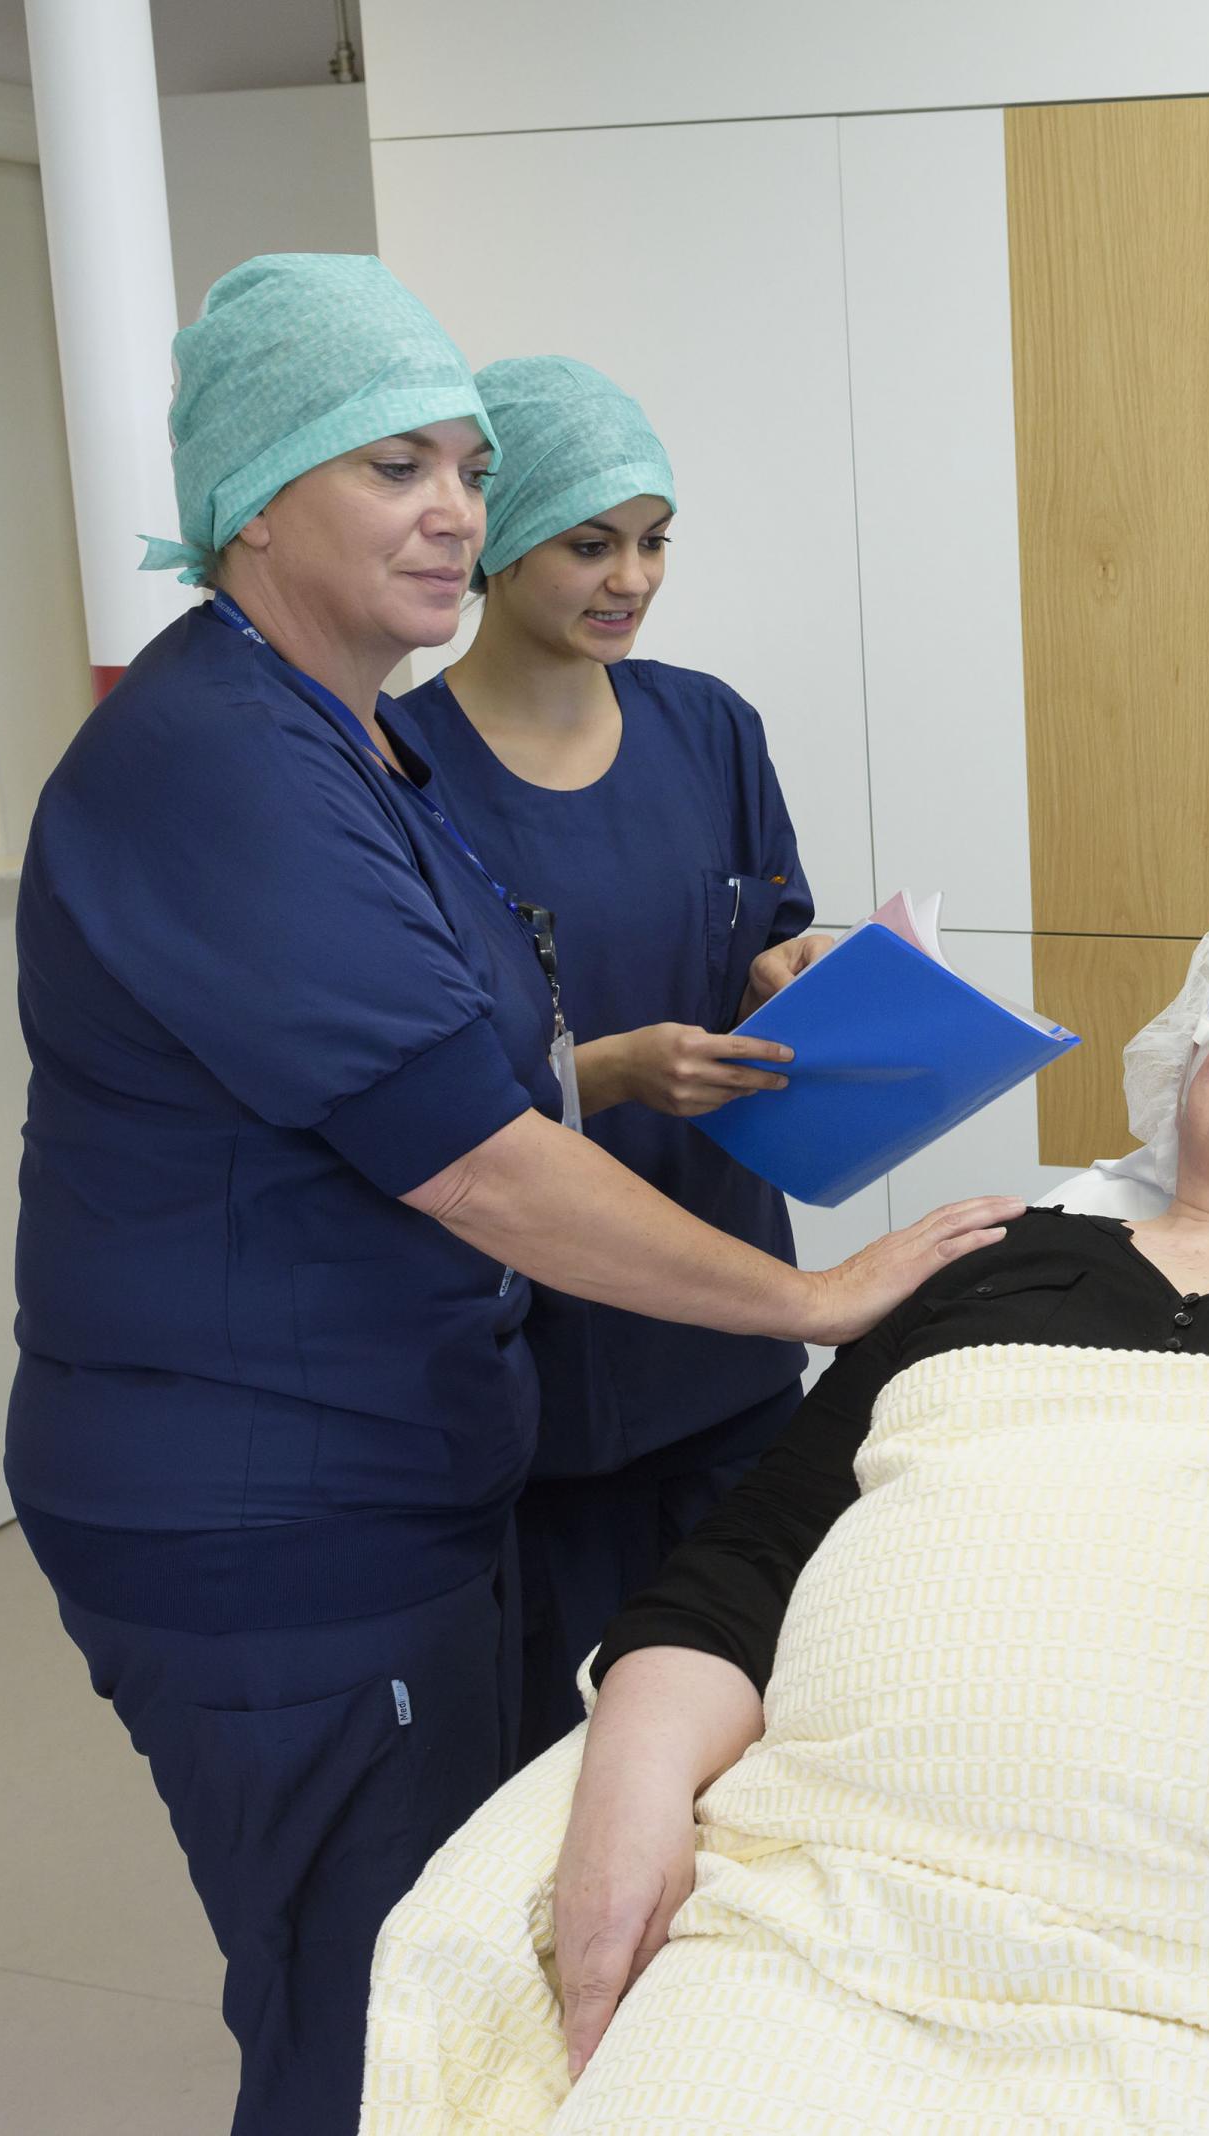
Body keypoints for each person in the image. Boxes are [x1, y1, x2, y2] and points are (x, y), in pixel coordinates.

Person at [7, 253, 1019, 2136]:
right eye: (395, 466)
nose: (455, 509)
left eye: (468, 465)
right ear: (251, 492)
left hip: (400, 1470)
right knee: (377, 2006)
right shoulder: (222, 765)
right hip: (267, 1512)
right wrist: (811, 1299)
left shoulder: (357, 742)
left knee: (463, 1951)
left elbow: (474, 1053)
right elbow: (474, 1153)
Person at [369, 884, 1209, 2135]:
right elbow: (743, 1570)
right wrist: (632, 1795)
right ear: (1180, 1073)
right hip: (816, 1927)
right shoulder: (989, 1266)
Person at [388, 355, 832, 1760]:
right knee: (561, 1749)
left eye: (653, 542)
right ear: (498, 538)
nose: (630, 577)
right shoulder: (398, 766)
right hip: (541, 1359)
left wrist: (794, 973)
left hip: (730, 1321)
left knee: (753, 1712)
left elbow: (770, 920)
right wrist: (609, 1073)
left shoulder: (707, 727)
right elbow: (406, 1090)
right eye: (591, 542)